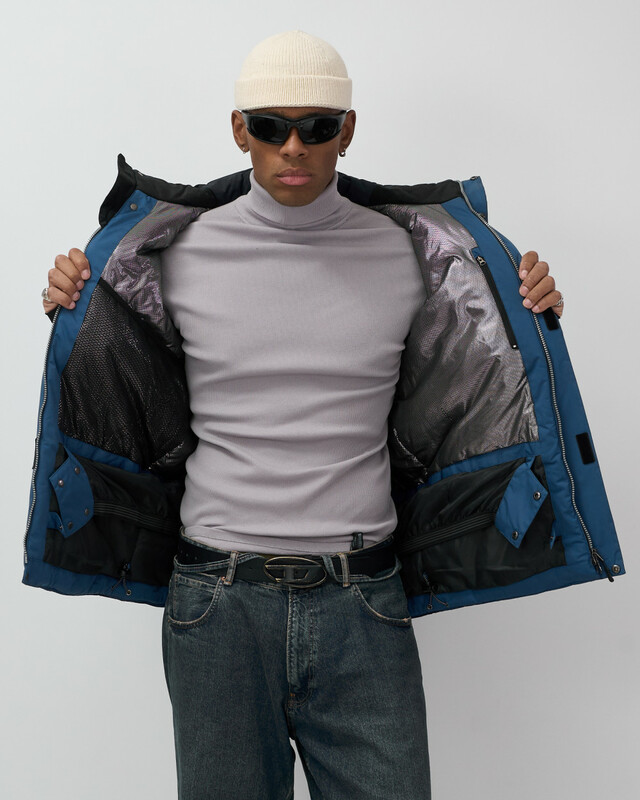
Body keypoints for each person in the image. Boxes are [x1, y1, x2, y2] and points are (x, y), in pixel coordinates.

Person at [30, 30, 622, 800]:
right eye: (270, 126)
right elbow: (122, 373)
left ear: (347, 130)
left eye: (316, 126)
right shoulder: (170, 253)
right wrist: (75, 305)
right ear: (239, 129)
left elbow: (479, 363)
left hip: (363, 601)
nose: (293, 147)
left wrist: (530, 304)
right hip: (216, 602)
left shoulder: (416, 253)